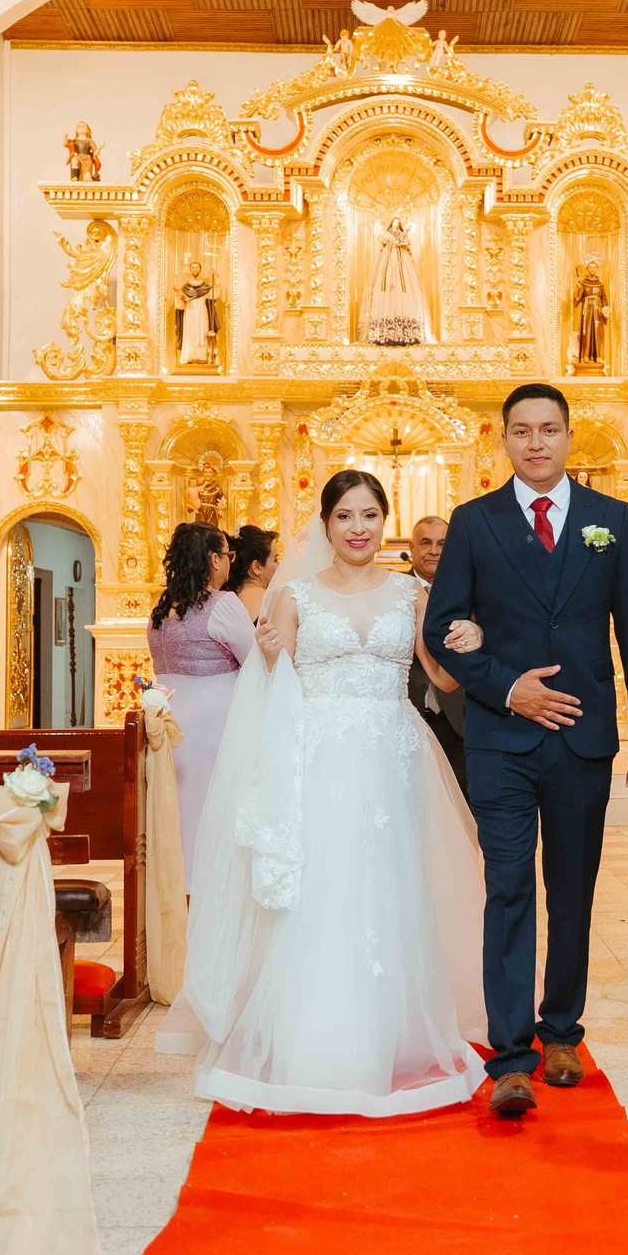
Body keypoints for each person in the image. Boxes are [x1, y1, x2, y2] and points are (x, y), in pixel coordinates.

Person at [157, 471, 489, 1117]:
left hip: (394, 759)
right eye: (346, 516)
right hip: (319, 759)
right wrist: (270, 652)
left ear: (384, 520)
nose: (359, 527)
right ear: (327, 523)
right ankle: (317, 1039)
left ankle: (390, 1034)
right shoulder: (296, 595)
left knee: (390, 888)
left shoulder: (411, 595)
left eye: (370, 514)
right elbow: (272, 687)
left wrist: (471, 640)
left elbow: (444, 675)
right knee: (324, 891)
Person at [424, 381, 628, 1119]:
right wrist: (506, 687)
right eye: (522, 430)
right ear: (503, 439)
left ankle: (562, 1031)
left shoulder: (610, 520)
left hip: (584, 737)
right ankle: (511, 1056)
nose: (536, 442)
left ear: (569, 437)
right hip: (501, 738)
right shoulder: (474, 522)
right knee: (507, 886)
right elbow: (441, 627)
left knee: (572, 888)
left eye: (550, 429)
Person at [146, 522, 253, 892]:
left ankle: (179, 888)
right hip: (215, 723)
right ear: (213, 559)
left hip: (170, 721)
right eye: (227, 555)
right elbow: (255, 662)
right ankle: (214, 890)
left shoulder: (162, 609)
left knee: (181, 810)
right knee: (212, 809)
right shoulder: (223, 605)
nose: (229, 563)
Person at [405, 515, 470, 794]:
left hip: (459, 718)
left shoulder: (471, 589)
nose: (434, 550)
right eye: (426, 543)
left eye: (442, 543)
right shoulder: (391, 589)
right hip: (407, 714)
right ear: (411, 547)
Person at [225, 525, 276, 627]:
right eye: (275, 559)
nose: (279, 566)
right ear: (257, 567)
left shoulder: (225, 600)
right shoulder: (272, 600)